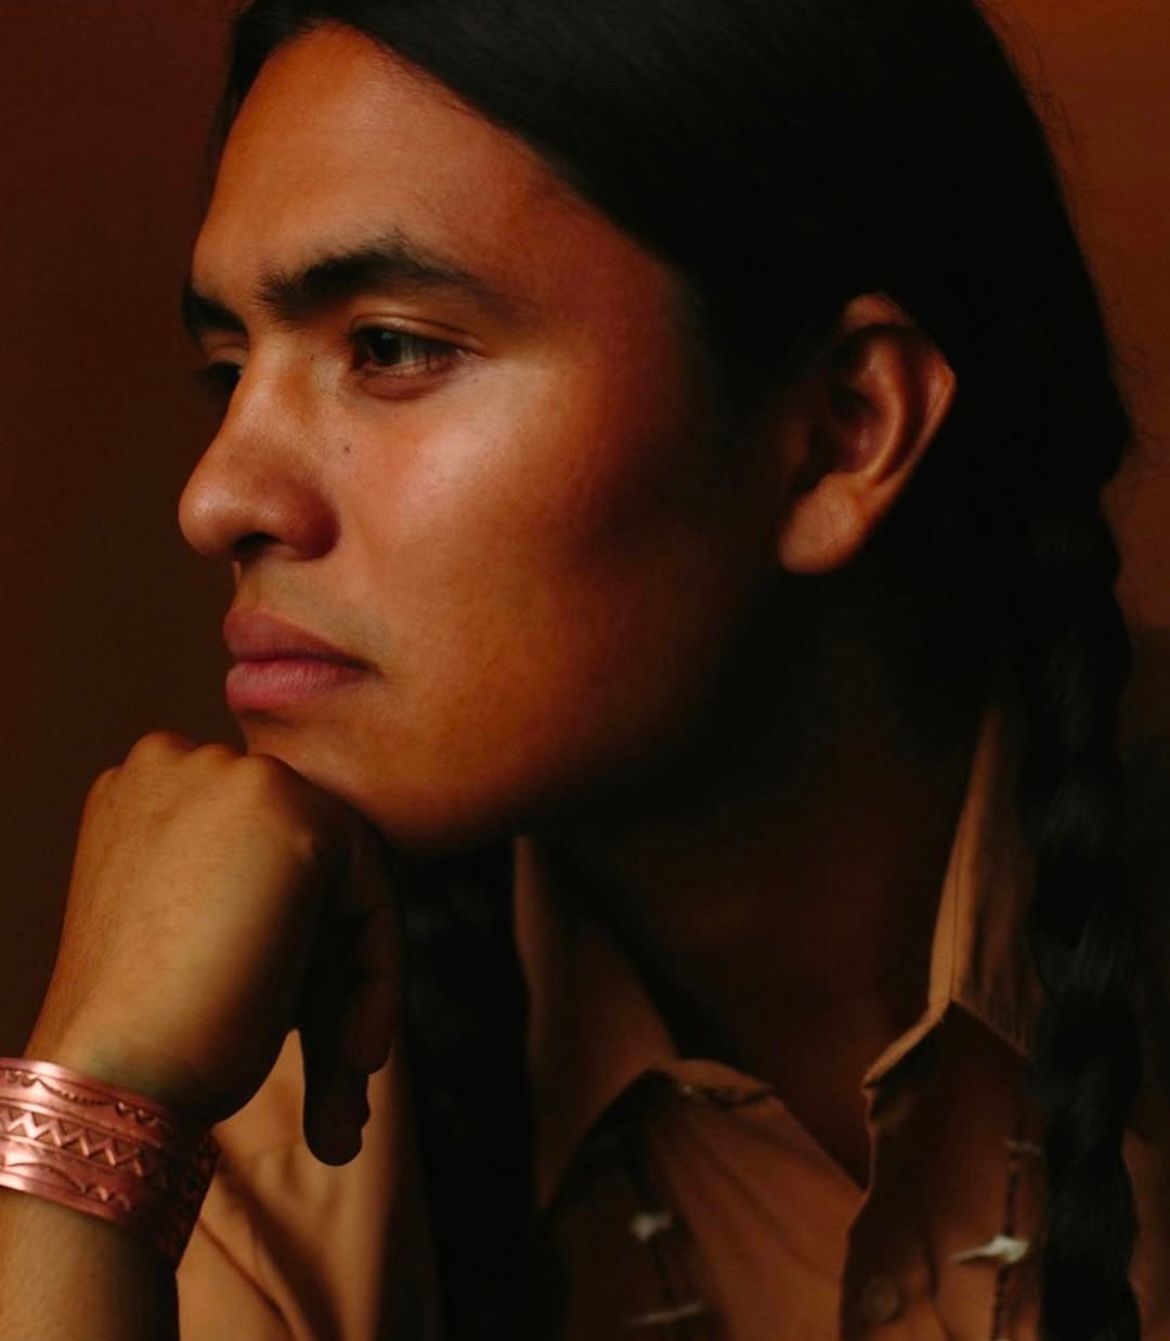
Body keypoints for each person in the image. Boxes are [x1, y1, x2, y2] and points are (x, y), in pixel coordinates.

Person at [0, 0, 1166, 1338]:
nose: (216, 500)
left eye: (389, 348)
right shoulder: (248, 1115)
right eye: (228, 368)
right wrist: (88, 1109)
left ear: (844, 427)